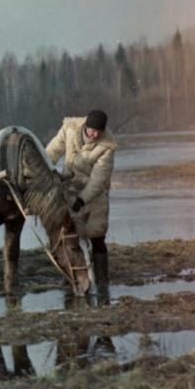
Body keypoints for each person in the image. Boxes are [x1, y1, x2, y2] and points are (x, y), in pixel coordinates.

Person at [45, 109, 118, 291]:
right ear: (86, 127)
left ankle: (102, 281)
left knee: (97, 237)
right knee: (67, 237)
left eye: (99, 132)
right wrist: (43, 170)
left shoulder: (107, 147)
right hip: (67, 191)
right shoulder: (69, 129)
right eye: (93, 131)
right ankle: (70, 277)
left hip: (93, 197)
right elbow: (52, 151)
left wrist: (82, 199)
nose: (95, 135)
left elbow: (99, 179)